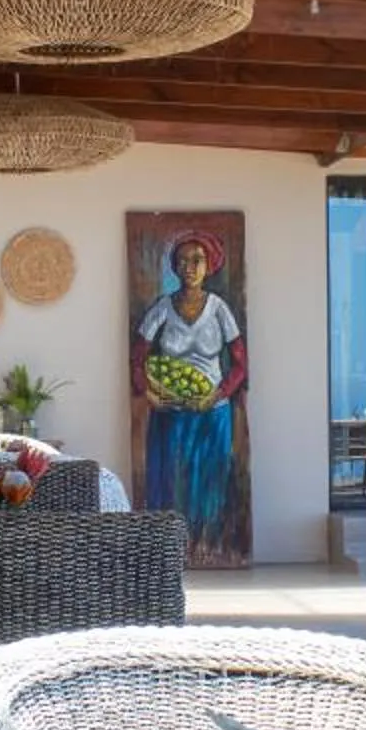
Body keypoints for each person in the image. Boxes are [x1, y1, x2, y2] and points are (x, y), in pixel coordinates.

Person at [134, 230, 246, 550]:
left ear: (209, 265)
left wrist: (219, 393)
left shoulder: (219, 309)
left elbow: (239, 364)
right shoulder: (163, 308)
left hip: (212, 412)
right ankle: (169, 546)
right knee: (171, 480)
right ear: (174, 267)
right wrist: (149, 393)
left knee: (208, 480)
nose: (189, 267)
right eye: (182, 261)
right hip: (171, 411)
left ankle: (204, 542)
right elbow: (138, 356)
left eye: (196, 260)